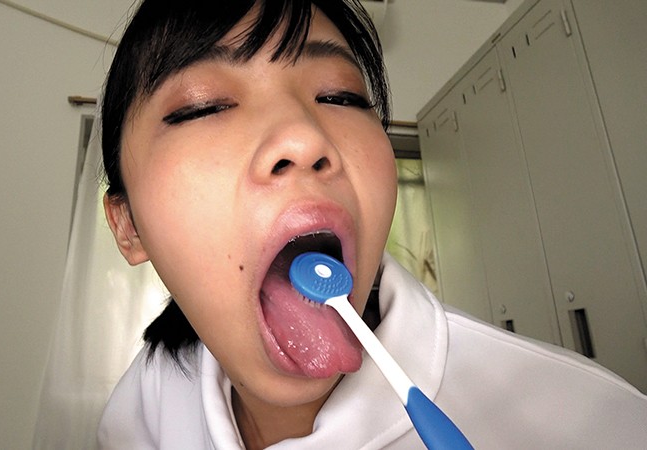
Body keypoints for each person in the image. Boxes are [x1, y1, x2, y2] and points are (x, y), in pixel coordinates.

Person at [96, 1, 647, 448]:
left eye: (340, 97)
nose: (304, 137)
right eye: (204, 107)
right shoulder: (141, 405)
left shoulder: (587, 424)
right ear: (129, 227)